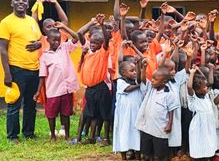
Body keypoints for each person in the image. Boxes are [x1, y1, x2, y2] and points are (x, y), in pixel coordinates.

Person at [0, 0, 42, 143]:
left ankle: (29, 132)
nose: (21, 2)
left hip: (34, 69)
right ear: (12, 4)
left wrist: (39, 44)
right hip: (16, 69)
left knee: (31, 103)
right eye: (17, 0)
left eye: (24, 0)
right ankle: (12, 136)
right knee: (14, 103)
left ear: (27, 4)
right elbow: (2, 49)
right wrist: (7, 73)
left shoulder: (32, 21)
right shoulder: (6, 23)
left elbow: (39, 39)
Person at [33, 23, 79, 141]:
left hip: (66, 89)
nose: (56, 43)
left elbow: (76, 37)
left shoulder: (64, 48)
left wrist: (64, 27)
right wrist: (38, 91)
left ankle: (67, 135)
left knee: (66, 113)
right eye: (53, 40)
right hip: (53, 90)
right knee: (51, 114)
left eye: (58, 40)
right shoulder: (45, 56)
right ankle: (53, 135)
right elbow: (42, 75)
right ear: (47, 40)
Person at [75, 14, 111, 145]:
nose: (93, 45)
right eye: (92, 43)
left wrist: (102, 25)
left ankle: (107, 138)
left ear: (102, 45)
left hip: (101, 88)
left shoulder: (103, 53)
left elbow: (107, 39)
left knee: (105, 114)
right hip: (90, 89)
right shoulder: (87, 52)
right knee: (93, 114)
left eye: (96, 43)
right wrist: (92, 22)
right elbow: (79, 33)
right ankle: (91, 137)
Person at [135, 66, 179, 161]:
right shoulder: (151, 88)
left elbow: (171, 110)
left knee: (160, 154)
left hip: (160, 130)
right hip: (147, 128)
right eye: (152, 78)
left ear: (163, 82)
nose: (152, 80)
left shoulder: (169, 94)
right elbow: (142, 79)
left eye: (155, 79)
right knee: (147, 152)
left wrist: (169, 124)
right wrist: (144, 68)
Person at [113, 61, 143, 160]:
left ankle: (138, 156)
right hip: (124, 115)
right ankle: (124, 157)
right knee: (124, 133)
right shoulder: (120, 81)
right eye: (132, 70)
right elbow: (128, 89)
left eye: (135, 70)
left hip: (136, 114)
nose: (135, 72)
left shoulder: (137, 81)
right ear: (123, 73)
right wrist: (139, 86)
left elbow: (141, 79)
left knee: (136, 133)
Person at [187, 65, 218, 159]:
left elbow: (207, 82)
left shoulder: (206, 95)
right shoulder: (193, 99)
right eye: (204, 87)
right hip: (199, 127)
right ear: (197, 89)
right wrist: (192, 74)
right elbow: (189, 87)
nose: (206, 88)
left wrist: (198, 70)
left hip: (208, 126)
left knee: (208, 144)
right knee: (198, 145)